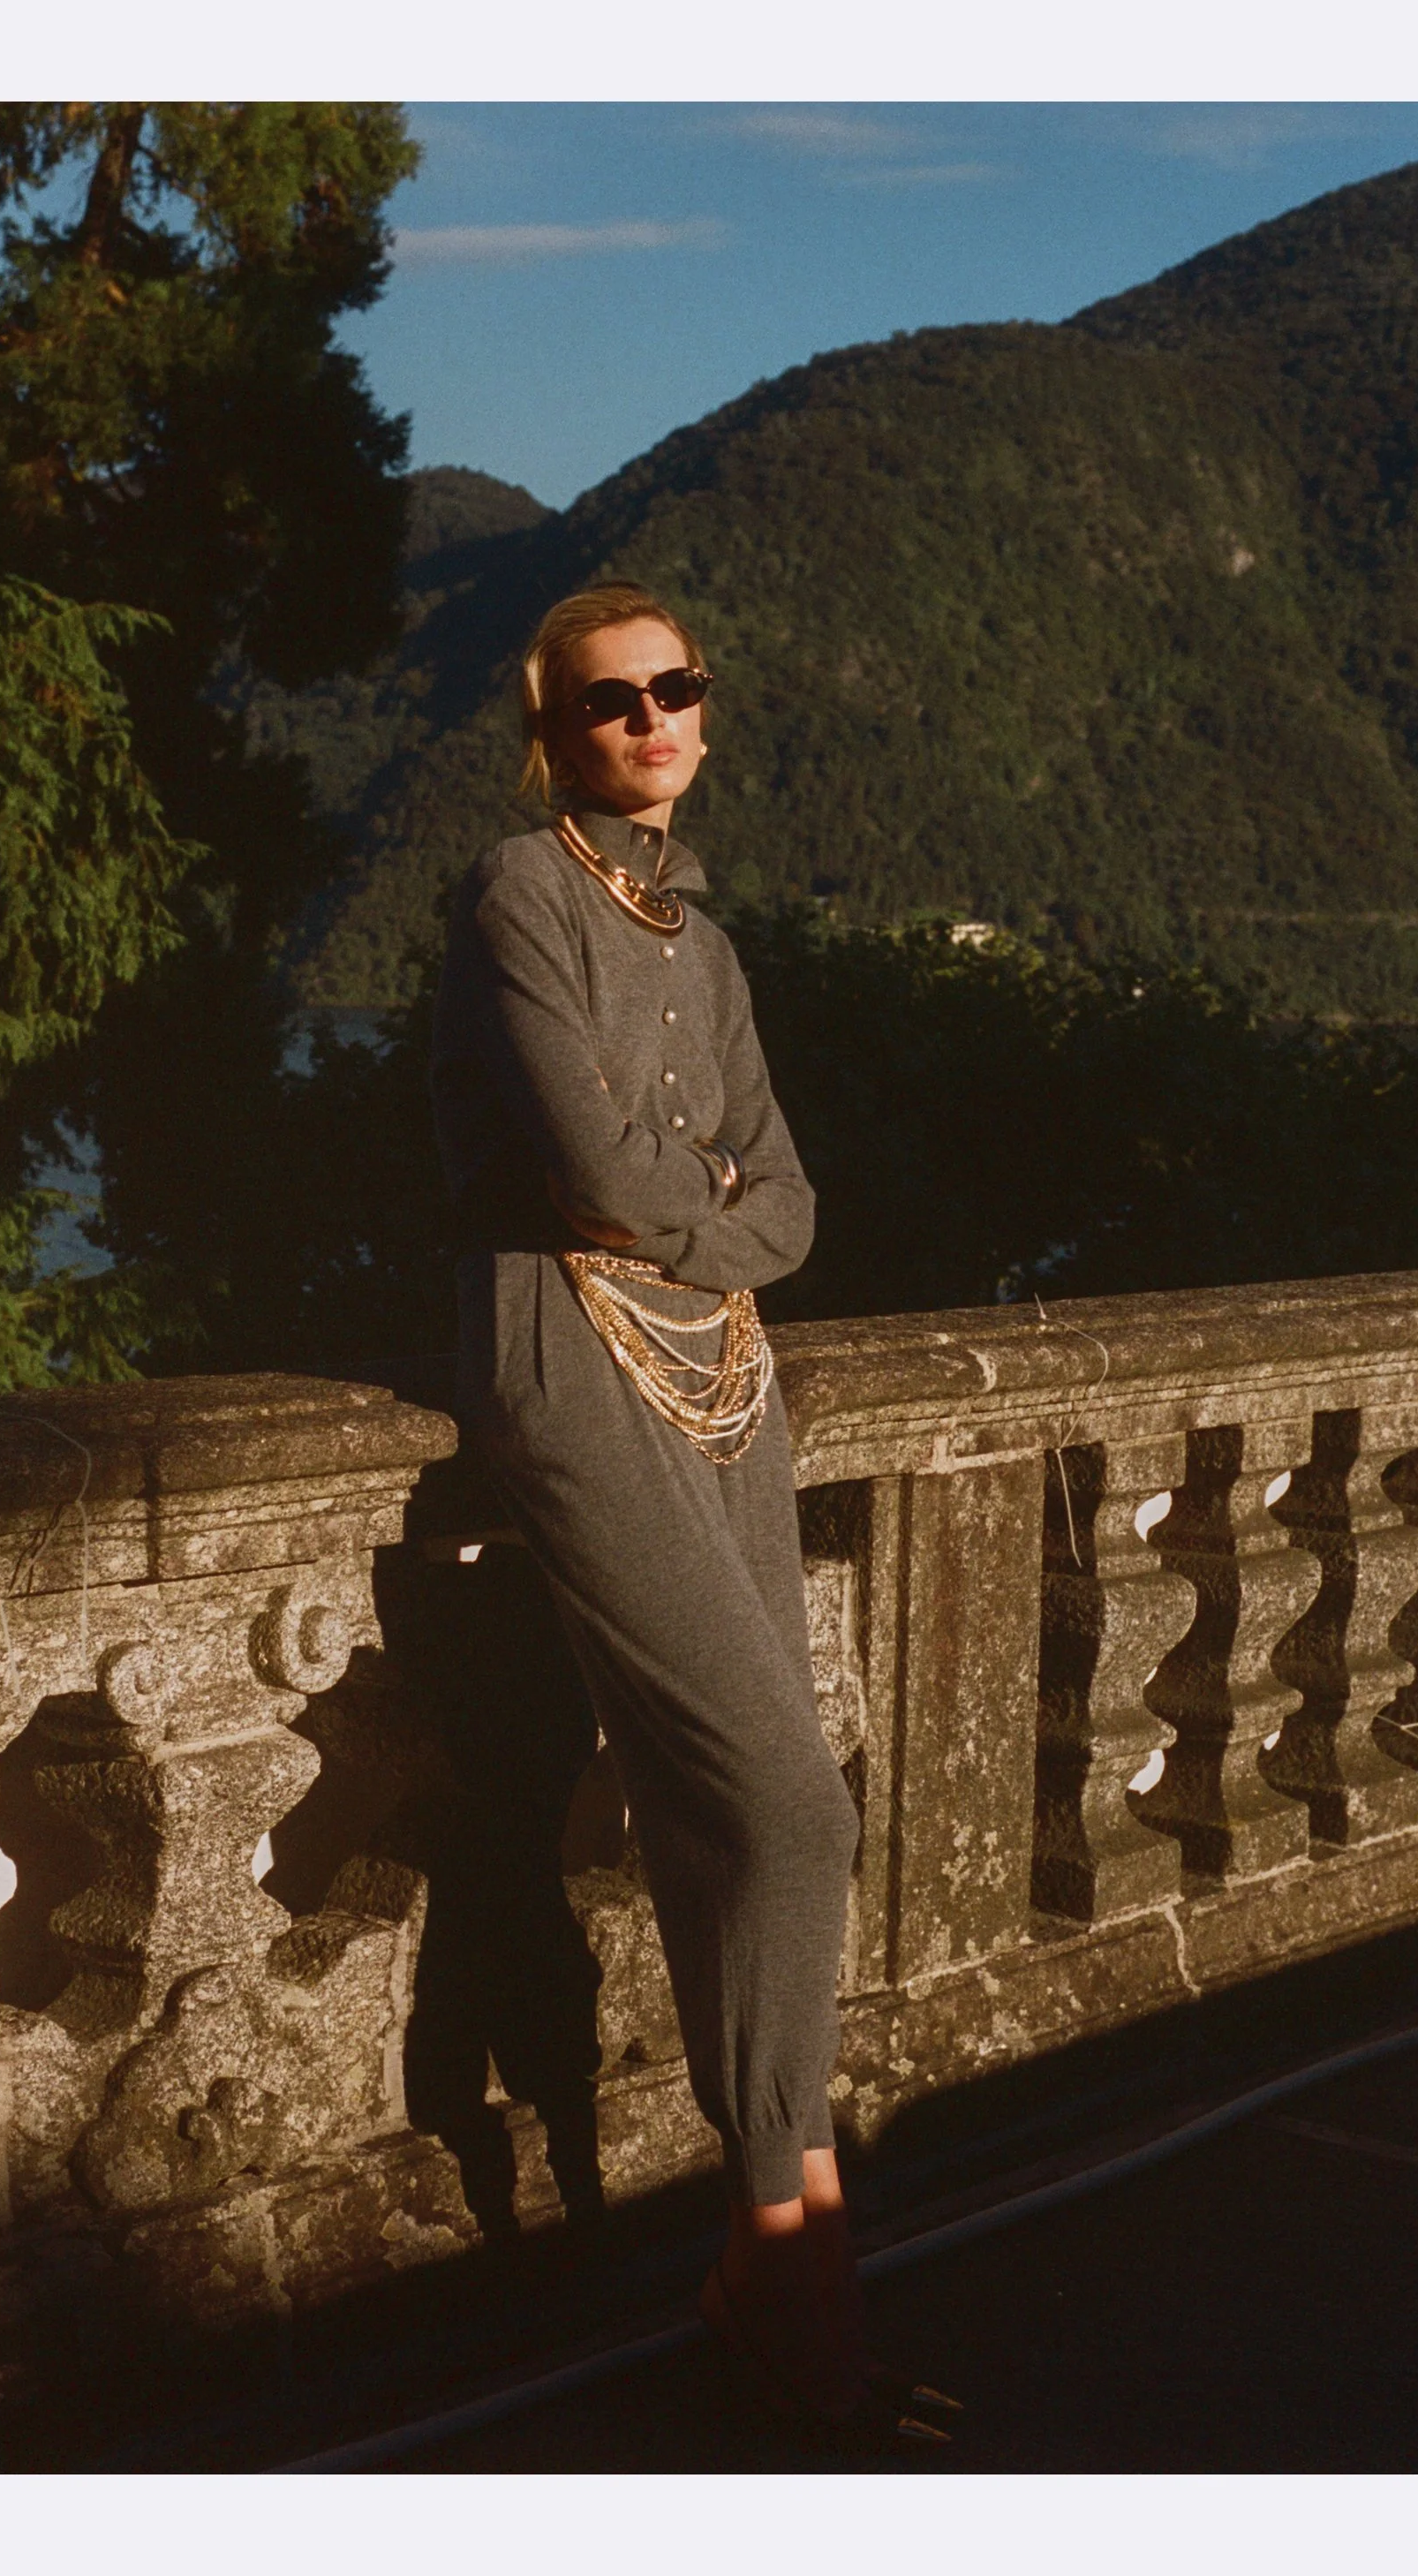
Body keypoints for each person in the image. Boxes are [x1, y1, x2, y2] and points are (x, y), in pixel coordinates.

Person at [430, 581, 955, 2447]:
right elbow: (583, 1160)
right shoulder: (518, 891)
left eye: (673, 691)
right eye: (605, 705)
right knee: (790, 1801)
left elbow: (785, 1206)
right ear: (551, 739)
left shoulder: (704, 949)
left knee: (725, 1801)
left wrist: (682, 1212)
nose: (646, 720)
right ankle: (792, 2261)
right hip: (565, 1365)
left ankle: (773, 2264)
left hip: (719, 1364)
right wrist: (675, 1199)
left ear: (703, 717)